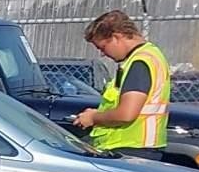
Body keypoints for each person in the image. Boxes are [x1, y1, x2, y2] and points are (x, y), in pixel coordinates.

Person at [69, 9, 171, 152]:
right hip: (140, 147)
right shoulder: (150, 55)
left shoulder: (139, 62)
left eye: (103, 47)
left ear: (116, 37)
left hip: (131, 150)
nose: (103, 54)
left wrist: (94, 118)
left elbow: (126, 114)